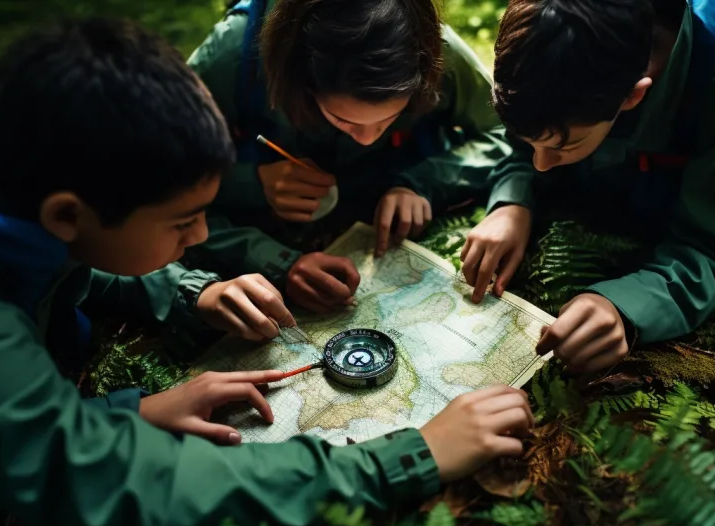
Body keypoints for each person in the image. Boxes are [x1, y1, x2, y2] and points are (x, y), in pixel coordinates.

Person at [0, 17, 535, 526]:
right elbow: (115, 483)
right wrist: (406, 459)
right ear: (67, 213)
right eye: (182, 222)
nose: (200, 238)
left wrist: (182, 305)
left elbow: (55, 256)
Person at [461, 0, 715, 374]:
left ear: (634, 95)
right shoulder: (543, 40)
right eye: (535, 144)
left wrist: (623, 306)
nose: (541, 163)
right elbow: (523, 152)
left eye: (563, 145)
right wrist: (512, 203)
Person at [185, 0, 533, 314]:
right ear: (300, 78)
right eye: (342, 119)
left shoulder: (429, 48)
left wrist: (422, 182)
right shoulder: (233, 55)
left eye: (390, 117)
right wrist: (253, 183)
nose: (368, 138)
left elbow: (507, 132)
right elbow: (164, 185)